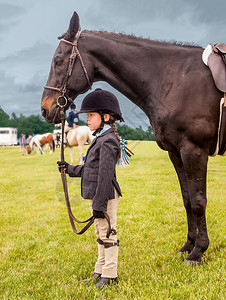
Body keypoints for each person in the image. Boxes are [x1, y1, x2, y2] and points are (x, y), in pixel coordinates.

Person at [57, 88, 125, 290]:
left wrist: (99, 203)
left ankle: (110, 274)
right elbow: (91, 169)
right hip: (96, 195)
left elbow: (104, 176)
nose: (87, 119)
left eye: (90, 115)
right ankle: (100, 269)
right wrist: (70, 169)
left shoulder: (108, 141)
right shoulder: (100, 138)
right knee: (100, 232)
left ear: (105, 117)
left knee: (108, 234)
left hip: (103, 196)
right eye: (87, 115)